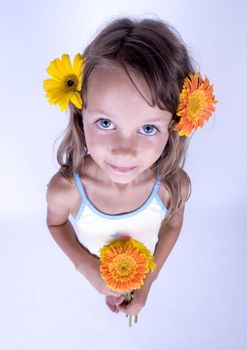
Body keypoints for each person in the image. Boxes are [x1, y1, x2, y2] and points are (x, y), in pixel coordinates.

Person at [44, 17, 217, 318]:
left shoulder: (173, 188)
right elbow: (56, 224)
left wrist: (148, 282)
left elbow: (173, 224)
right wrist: (87, 267)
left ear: (174, 127)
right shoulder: (66, 192)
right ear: (80, 115)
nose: (124, 151)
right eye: (106, 123)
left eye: (148, 128)